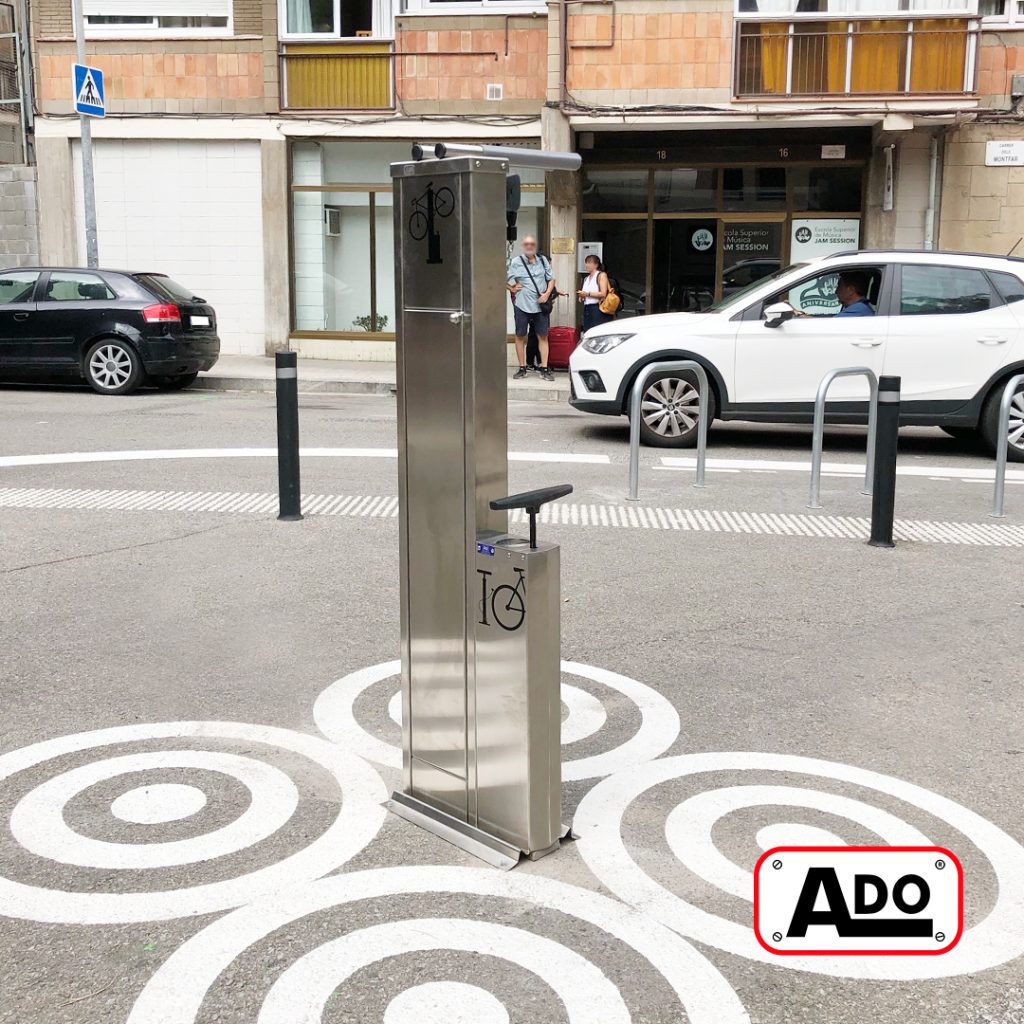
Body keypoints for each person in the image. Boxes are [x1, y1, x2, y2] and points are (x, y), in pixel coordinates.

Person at [507, 235, 556, 381]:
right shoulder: (516, 262)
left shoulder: (542, 261)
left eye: (532, 244)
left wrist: (547, 294)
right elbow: (499, 278)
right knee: (520, 335)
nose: (529, 246)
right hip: (521, 305)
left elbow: (551, 279)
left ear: (535, 246)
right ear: (523, 246)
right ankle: (522, 367)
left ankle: (544, 368)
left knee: (543, 336)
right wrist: (512, 288)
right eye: (526, 244)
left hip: (540, 306)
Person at [577, 254, 615, 334]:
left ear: (596, 265)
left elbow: (603, 293)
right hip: (587, 308)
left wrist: (587, 294)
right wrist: (582, 296)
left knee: (598, 332)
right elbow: (585, 294)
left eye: (589, 262)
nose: (587, 265)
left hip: (598, 308)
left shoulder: (601, 275)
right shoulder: (586, 278)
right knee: (588, 332)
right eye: (586, 262)